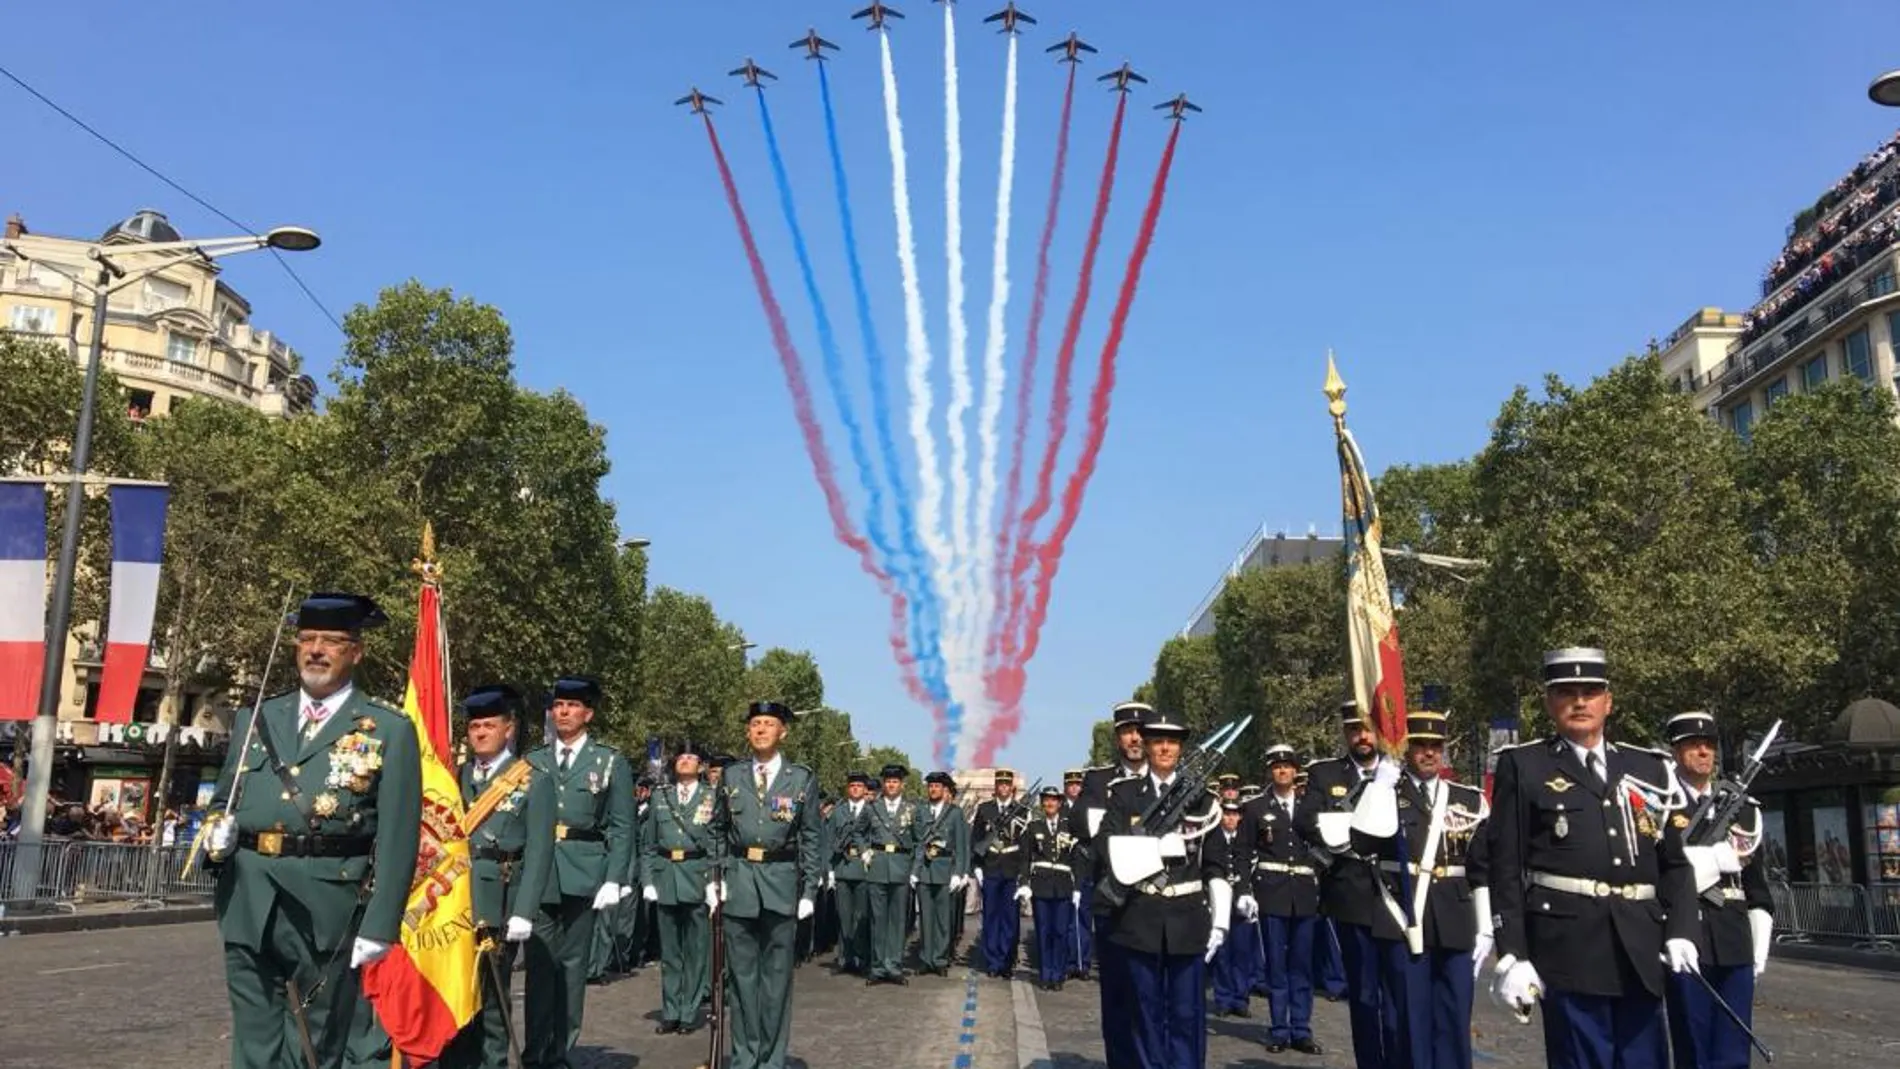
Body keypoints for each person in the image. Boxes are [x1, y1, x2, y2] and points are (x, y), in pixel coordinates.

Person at [202, 592, 422, 1069]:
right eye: (306, 639)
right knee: (253, 1037)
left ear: (355, 652)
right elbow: (225, 799)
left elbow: (401, 837)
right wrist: (213, 838)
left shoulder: (387, 728)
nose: (315, 650)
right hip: (249, 895)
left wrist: (381, 925)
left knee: (314, 1040)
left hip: (328, 904)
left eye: (330, 641)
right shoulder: (257, 717)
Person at [1490, 648, 1699, 1069]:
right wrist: (1513, 953)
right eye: (1567, 693)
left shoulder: (1650, 768)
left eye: (1591, 692)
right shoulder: (1525, 765)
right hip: (1568, 950)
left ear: (1609, 701)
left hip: (1640, 949)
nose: (1580, 702)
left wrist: (1682, 930)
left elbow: (1674, 863)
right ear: (1550, 702)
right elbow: (1506, 867)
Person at [1094, 706, 1231, 1069]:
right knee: (1144, 1016)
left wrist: (1221, 921)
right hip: (1140, 917)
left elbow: (1216, 864)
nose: (1165, 749)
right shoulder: (1125, 795)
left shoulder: (1204, 799)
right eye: (1158, 742)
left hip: (1188, 920)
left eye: (1172, 742)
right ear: (1149, 746)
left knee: (1187, 1017)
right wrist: (1151, 849)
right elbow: (1105, 845)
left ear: (1181, 749)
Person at [1365, 692, 1490, 1069]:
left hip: (1455, 918)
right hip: (1404, 919)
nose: (1429, 753)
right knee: (1409, 1019)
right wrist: (1378, 788)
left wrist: (1485, 927)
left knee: (1454, 1019)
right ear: (1407, 749)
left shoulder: (1468, 799)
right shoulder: (1387, 792)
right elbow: (1360, 840)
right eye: (1420, 745)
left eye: (1436, 746)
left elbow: (1482, 866)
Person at [523, 676, 637, 1069]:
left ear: (588, 713)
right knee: (538, 965)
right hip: (538, 873)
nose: (563, 712)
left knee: (572, 969)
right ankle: (535, 1050)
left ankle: (561, 1049)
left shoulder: (609, 761)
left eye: (572, 706)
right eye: (558, 706)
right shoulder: (534, 760)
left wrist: (614, 877)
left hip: (583, 869)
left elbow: (622, 825)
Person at [442, 684, 554, 1069]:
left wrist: (524, 910)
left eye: (489, 725)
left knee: (492, 996)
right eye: (474, 727)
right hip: (453, 897)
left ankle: (492, 1063)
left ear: (509, 729)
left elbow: (540, 850)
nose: (480, 733)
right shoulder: (454, 777)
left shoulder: (532, 780)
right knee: (454, 991)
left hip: (499, 899)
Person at [706, 700, 823, 1069]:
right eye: (755, 723)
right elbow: (717, 831)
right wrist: (714, 879)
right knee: (741, 982)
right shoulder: (732, 776)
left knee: (775, 983)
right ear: (747, 731)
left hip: (781, 885)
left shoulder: (801, 778)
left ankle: (771, 1060)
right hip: (739, 884)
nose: (760, 729)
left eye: (768, 723)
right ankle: (744, 1057)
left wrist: (808, 892)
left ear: (782, 732)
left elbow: (812, 838)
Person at [1663, 710, 1773, 1069]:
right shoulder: (1662, 808)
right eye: (1693, 745)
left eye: (1709, 745)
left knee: (1733, 1050)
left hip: (1733, 939)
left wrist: (1758, 947)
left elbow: (1756, 889)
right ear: (1676, 751)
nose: (1703, 752)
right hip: (1685, 939)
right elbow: (1664, 875)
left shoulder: (1743, 811)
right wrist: (1713, 860)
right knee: (1693, 1047)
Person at [1297, 699, 1401, 1069]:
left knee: (1398, 991)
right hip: (1352, 891)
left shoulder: (1397, 772)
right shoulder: (1326, 775)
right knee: (1364, 992)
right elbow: (1305, 820)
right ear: (1345, 733)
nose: (1362, 736)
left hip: (1397, 892)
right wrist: (1346, 829)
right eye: (1355, 729)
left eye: (1368, 728)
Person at [1072, 700, 1150, 1064]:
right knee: (1118, 995)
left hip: (1157, 903)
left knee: (1154, 998)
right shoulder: (1099, 780)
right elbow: (1081, 825)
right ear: (1117, 738)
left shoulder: (1168, 779)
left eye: (1139, 731)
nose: (1134, 738)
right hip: (1114, 900)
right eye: (1126, 732)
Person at [1243, 744, 1323, 1054]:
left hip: (1303, 891)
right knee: (1276, 965)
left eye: (1288, 766)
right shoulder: (1255, 808)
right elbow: (1244, 851)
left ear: (1295, 771)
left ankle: (1301, 1029)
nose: (1283, 771)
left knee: (1301, 965)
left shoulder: (1309, 806)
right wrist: (1245, 891)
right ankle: (1279, 1029)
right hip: (1271, 890)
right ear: (1270, 771)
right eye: (1277, 767)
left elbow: (1324, 843)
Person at [642, 745, 717, 1035]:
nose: (684, 762)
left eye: (691, 758)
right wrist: (648, 880)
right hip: (666, 876)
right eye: (680, 758)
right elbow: (648, 844)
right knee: (670, 951)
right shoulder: (662, 796)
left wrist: (714, 880)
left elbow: (716, 842)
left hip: (696, 875)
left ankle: (689, 1010)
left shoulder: (711, 797)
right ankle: (670, 1010)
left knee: (696, 950)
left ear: (700, 767)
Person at [855, 763, 921, 985]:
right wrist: (864, 852)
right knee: (878, 919)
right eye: (888, 781)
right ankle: (877, 967)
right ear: (883, 783)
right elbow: (858, 831)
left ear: (902, 784)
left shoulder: (912, 809)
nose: (891, 785)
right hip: (878, 867)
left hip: (901, 867)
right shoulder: (872, 807)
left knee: (898, 920)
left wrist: (915, 870)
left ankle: (894, 965)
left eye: (895, 781)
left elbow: (920, 841)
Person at [1021, 785, 1083, 990]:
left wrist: (1078, 887)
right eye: (1046, 800)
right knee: (1044, 932)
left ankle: (1058, 974)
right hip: (1041, 886)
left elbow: (1077, 858)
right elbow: (1025, 858)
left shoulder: (1070, 827)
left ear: (1060, 803)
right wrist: (1024, 883)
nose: (1049, 803)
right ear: (1042, 804)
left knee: (1061, 932)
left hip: (1064, 886)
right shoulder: (1034, 827)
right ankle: (1046, 974)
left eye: (1053, 800)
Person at [971, 768, 1029, 978]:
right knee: (991, 918)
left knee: (1010, 919)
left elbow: (1025, 846)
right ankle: (993, 961)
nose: (1003, 788)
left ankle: (1007, 960)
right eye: (1000, 784)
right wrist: (976, 866)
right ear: (995, 787)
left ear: (1011, 788)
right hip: (991, 868)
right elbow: (976, 838)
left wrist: (1024, 876)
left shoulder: (1021, 811)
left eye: (1006, 784)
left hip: (1011, 869)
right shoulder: (985, 809)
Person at [914, 770, 972, 975]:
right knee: (926, 918)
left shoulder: (954, 813)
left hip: (945, 868)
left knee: (943, 919)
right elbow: (915, 841)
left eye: (937, 786)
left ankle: (939, 959)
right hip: (924, 871)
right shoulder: (920, 811)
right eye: (930, 786)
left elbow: (962, 845)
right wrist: (914, 870)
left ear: (944, 789)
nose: (933, 789)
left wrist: (960, 872)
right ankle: (926, 958)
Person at [1205, 799, 1257, 1018]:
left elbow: (1248, 866)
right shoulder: (1212, 838)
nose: (1231, 818)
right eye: (1227, 814)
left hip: (1241, 900)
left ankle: (1241, 997)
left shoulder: (1245, 839)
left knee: (1243, 952)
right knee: (1223, 953)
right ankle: (1224, 998)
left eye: (1235, 814)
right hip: (1219, 901)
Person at [828, 772, 874, 974]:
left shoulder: (873, 812)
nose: (855, 788)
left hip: (864, 868)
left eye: (859, 785)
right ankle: (844, 958)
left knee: (861, 917)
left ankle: (861, 958)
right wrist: (829, 869)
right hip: (843, 868)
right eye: (852, 785)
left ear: (865, 789)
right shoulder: (838, 812)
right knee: (843, 915)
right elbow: (829, 841)